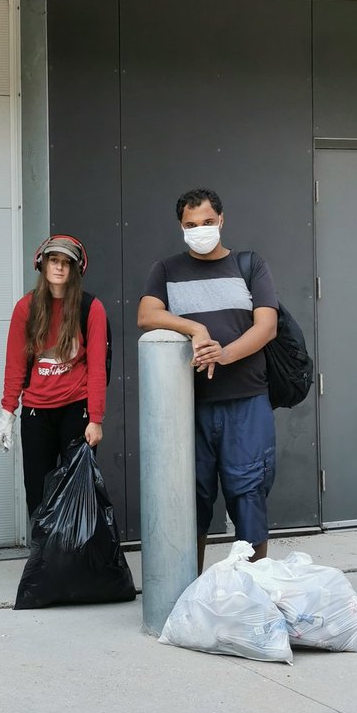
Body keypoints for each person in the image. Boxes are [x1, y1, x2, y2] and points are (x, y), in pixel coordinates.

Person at [137, 188, 277, 571]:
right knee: (189, 501)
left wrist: (224, 354)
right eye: (191, 224)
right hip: (189, 406)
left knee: (249, 494)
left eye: (207, 222)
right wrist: (195, 328)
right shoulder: (166, 270)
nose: (200, 230)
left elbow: (266, 326)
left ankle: (252, 587)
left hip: (246, 401)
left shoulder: (249, 265)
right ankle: (191, 588)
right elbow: (147, 315)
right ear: (181, 227)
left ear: (221, 220)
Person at [0, 235, 108, 513]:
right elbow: (15, 364)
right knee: (38, 493)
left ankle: (76, 544)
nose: (59, 267)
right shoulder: (26, 307)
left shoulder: (91, 308)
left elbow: (97, 368)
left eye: (66, 262)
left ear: (76, 269)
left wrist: (95, 418)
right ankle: (42, 543)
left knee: (78, 496)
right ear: (42, 264)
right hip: (36, 412)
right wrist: (7, 413)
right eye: (53, 260)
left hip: (76, 410)